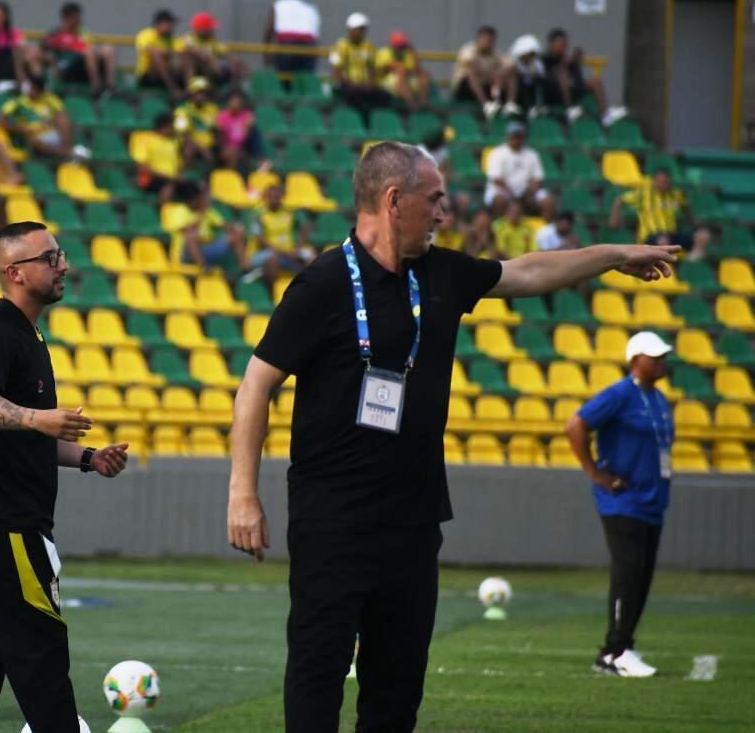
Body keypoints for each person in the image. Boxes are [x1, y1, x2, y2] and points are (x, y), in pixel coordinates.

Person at [226, 141, 679, 732]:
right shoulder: (323, 284)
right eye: (434, 200)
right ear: (394, 201)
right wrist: (243, 491)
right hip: (332, 522)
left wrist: (612, 254)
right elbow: (256, 384)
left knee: (398, 685)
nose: (444, 213)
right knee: (318, 671)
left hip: (413, 524)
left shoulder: (439, 273)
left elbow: (526, 272)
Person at [0, 221, 128, 732]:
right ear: (15, 272)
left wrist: (89, 458)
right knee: (39, 651)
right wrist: (36, 418)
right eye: (49, 258)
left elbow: (30, 433)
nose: (62, 264)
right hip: (5, 521)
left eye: (60, 254)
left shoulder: (29, 334)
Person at [565, 331, 675, 678]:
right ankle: (614, 651)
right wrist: (595, 472)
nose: (661, 361)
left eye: (662, 356)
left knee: (641, 576)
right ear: (635, 359)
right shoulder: (619, 394)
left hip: (652, 500)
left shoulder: (657, 398)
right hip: (623, 500)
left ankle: (624, 644)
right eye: (653, 356)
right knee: (627, 574)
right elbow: (576, 424)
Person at [610, 166, 707, 254]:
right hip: (650, 236)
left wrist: (694, 221)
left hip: (671, 234)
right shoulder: (644, 194)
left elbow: (686, 206)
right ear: (654, 181)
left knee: (702, 236)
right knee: (663, 242)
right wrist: (614, 221)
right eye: (661, 181)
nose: (663, 184)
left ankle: (690, 267)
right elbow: (620, 200)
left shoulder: (675, 194)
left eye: (666, 181)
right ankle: (668, 267)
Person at [543, 28, 624, 126]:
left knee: (595, 81)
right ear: (551, 44)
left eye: (565, 44)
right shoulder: (545, 58)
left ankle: (605, 115)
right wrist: (565, 64)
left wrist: (575, 62)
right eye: (560, 44)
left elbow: (578, 80)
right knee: (562, 76)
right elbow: (549, 76)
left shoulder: (568, 60)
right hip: (553, 94)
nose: (563, 47)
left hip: (573, 89)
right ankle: (570, 110)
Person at [0, 75, 86, 161]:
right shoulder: (18, 102)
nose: (32, 90)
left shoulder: (49, 98)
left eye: (35, 89)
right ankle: (70, 155)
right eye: (31, 88)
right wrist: (19, 129)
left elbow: (63, 113)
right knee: (33, 141)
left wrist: (52, 121)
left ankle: (68, 151)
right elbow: (0, 120)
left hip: (53, 133)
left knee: (63, 118)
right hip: (35, 137)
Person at [243, 182, 313, 283]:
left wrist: (298, 247)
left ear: (281, 197)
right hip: (264, 253)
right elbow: (261, 242)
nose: (273, 200)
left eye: (277, 197)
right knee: (272, 258)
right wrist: (286, 252)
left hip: (288, 252)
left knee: (310, 254)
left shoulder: (288, 212)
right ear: (266, 197)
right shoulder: (258, 215)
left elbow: (305, 227)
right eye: (270, 197)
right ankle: (271, 289)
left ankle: (307, 285)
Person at [483, 121, 554, 218]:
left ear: (523, 137)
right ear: (507, 136)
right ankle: (500, 227)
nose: (516, 139)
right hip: (502, 190)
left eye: (519, 136)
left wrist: (528, 192)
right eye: (513, 136)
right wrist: (513, 194)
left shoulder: (532, 154)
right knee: (500, 200)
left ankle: (544, 230)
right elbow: (496, 179)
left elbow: (538, 178)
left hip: (526, 191)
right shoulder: (498, 152)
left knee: (548, 201)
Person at [166, 183, 245, 270]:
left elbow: (224, 225)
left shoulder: (208, 211)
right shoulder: (179, 210)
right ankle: (204, 268)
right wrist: (202, 213)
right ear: (195, 199)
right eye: (203, 197)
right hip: (184, 255)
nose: (206, 199)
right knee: (191, 236)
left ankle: (245, 268)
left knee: (236, 233)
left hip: (205, 248)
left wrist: (235, 226)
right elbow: (188, 230)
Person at [43, 1, 116, 96]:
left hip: (86, 67)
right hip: (68, 70)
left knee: (108, 48)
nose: (79, 20)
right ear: (66, 18)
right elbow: (44, 51)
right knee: (88, 52)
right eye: (76, 17)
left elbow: (94, 47)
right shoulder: (56, 34)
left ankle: (111, 86)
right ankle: (96, 86)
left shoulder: (84, 32)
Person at [328, 12, 388, 113]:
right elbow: (337, 71)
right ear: (350, 29)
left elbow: (372, 68)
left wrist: (370, 84)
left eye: (363, 29)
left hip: (364, 86)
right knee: (357, 97)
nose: (360, 32)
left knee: (385, 96)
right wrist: (353, 84)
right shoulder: (339, 46)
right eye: (358, 29)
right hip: (346, 85)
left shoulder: (369, 46)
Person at [133, 112, 193, 203]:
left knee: (197, 187)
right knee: (169, 184)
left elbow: (181, 167)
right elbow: (142, 167)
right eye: (172, 126)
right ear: (165, 126)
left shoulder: (174, 142)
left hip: (171, 178)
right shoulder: (145, 138)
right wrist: (169, 177)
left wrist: (187, 151)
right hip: (149, 178)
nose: (174, 129)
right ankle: (162, 211)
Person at [177, 11, 245, 89]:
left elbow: (226, 53)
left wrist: (237, 62)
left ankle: (233, 93)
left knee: (234, 65)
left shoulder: (212, 41)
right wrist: (202, 55)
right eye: (209, 28)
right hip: (186, 74)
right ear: (200, 29)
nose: (212, 30)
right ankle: (191, 90)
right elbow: (180, 54)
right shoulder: (186, 39)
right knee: (191, 56)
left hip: (209, 71)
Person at [0, 0, 40, 89]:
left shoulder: (12, 32)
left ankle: (38, 83)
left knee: (31, 54)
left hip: (12, 61)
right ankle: (25, 85)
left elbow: (23, 44)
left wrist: (31, 52)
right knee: (17, 52)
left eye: (1, 16)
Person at [263, 0, 320, 74]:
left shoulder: (279, 4)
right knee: (304, 80)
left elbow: (270, 29)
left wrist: (266, 53)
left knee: (284, 80)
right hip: (308, 46)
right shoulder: (311, 8)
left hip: (287, 43)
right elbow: (316, 36)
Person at [451, 25, 506, 116]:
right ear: (478, 38)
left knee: (505, 76)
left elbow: (509, 65)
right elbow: (471, 65)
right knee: (471, 74)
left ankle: (507, 105)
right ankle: (486, 105)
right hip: (464, 89)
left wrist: (498, 74)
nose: (488, 43)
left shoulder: (495, 53)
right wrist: (491, 75)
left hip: (486, 85)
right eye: (485, 39)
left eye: (491, 41)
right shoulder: (468, 49)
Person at [216, 90, 268, 173]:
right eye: (233, 102)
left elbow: (244, 137)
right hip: (226, 146)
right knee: (232, 151)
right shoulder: (223, 115)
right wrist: (225, 148)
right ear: (229, 103)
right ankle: (231, 176)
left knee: (254, 131)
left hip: (243, 146)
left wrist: (247, 127)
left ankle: (260, 159)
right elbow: (220, 136)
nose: (235, 104)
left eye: (238, 102)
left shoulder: (246, 115)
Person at [375, 30, 429, 110]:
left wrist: (413, 53)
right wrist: (405, 69)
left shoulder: (406, 53)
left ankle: (423, 102)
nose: (401, 48)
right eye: (398, 45)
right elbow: (388, 67)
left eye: (402, 45)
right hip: (386, 84)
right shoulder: (385, 52)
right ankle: (410, 102)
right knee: (401, 70)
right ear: (392, 45)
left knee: (423, 73)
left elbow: (416, 69)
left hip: (405, 81)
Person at [173, 76, 219, 169]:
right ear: (191, 94)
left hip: (209, 145)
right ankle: (183, 175)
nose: (201, 96)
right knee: (189, 149)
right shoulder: (181, 110)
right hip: (190, 145)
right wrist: (200, 147)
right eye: (198, 92)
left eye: (204, 92)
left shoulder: (213, 109)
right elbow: (183, 134)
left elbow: (217, 129)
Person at [134, 9, 181, 96]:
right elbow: (149, 49)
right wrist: (167, 53)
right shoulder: (146, 34)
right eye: (169, 23)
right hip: (147, 75)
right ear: (160, 23)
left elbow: (181, 52)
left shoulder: (172, 38)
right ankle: (173, 89)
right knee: (157, 55)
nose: (172, 26)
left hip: (167, 71)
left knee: (188, 58)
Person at [501, 33, 547, 117]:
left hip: (530, 91)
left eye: (532, 54)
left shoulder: (537, 64)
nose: (530, 56)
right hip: (519, 93)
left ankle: (538, 106)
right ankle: (511, 104)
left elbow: (541, 76)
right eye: (528, 53)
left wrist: (535, 74)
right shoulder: (512, 62)